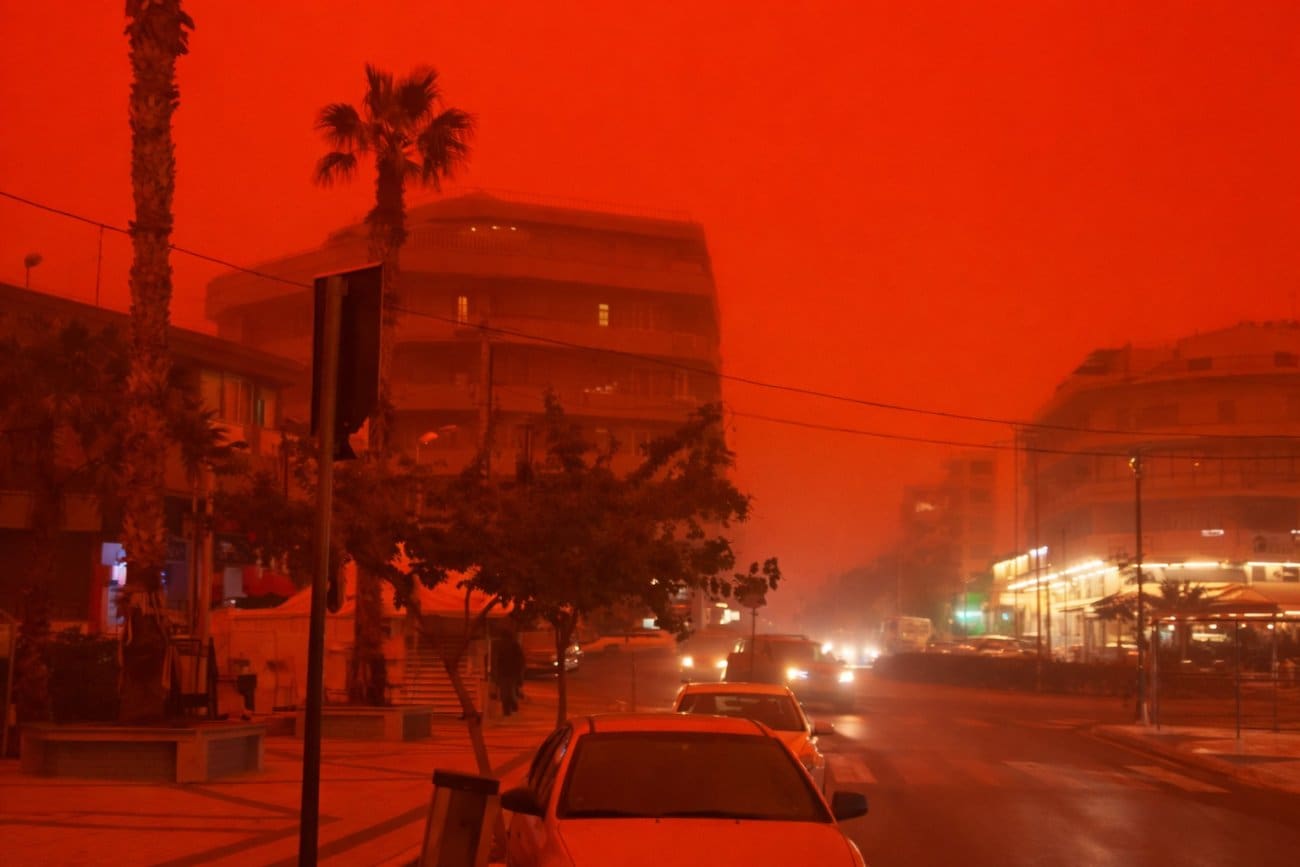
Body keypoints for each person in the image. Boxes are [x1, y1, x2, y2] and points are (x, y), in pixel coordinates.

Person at [493, 629, 526, 717]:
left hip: (504, 673)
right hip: (512, 673)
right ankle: (512, 706)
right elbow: (521, 660)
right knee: (510, 691)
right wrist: (520, 673)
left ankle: (507, 710)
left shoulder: (500, 645)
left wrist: (496, 674)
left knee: (505, 692)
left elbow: (497, 660)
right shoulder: (515, 645)